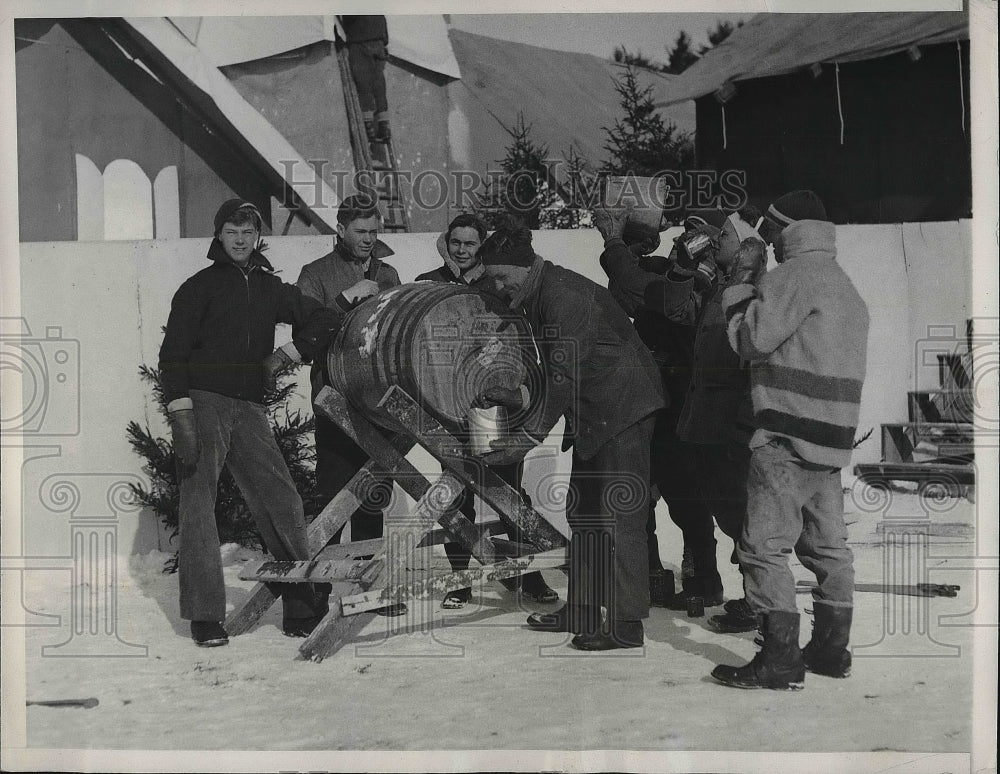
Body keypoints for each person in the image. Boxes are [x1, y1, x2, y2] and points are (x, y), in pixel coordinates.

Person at [159, 199, 341, 646]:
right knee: (199, 505)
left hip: (249, 407)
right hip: (203, 403)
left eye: (247, 231)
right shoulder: (197, 288)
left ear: (258, 236)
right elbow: (172, 356)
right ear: (218, 234)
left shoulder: (270, 288)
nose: (240, 239)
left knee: (281, 496)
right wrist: (180, 411)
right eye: (231, 230)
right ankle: (204, 617)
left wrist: (289, 354)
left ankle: (299, 601)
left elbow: (323, 318)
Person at [476, 219, 664, 650]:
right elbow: (554, 372)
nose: (499, 286)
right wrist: (516, 394)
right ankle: (582, 607)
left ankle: (625, 623)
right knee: (585, 514)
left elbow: (562, 375)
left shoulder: (562, 296)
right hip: (596, 412)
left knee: (619, 517)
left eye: (502, 276)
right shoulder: (538, 293)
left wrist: (527, 438)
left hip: (624, 408)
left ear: (523, 268)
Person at [711, 190, 869, 690]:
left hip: (785, 436)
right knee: (827, 548)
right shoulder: (843, 285)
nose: (770, 246)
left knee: (762, 547)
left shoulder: (792, 278)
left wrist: (739, 287)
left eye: (773, 235)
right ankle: (829, 649)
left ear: (787, 232)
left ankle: (779, 660)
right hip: (830, 437)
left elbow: (749, 340)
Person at [598, 205, 767, 633]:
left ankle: (715, 583)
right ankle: (683, 579)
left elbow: (639, 289)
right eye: (684, 235)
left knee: (701, 500)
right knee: (672, 494)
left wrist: (614, 243)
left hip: (698, 408)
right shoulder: (684, 274)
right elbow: (631, 283)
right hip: (678, 403)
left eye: (707, 237)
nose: (686, 243)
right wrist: (632, 244)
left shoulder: (710, 284)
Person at [415, 214, 557, 609]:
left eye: (470, 244)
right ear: (447, 242)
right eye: (456, 242)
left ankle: (527, 575)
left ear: (482, 248)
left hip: (496, 402)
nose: (462, 250)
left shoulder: (497, 284)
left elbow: (517, 336)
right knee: (457, 495)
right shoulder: (430, 281)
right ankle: (461, 579)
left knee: (507, 491)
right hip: (446, 401)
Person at [296, 195, 399, 547]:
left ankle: (366, 596)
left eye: (373, 231)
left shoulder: (388, 274)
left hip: (377, 403)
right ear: (340, 230)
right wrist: (344, 299)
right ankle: (320, 595)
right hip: (334, 402)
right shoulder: (314, 273)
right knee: (333, 500)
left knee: (372, 502)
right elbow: (304, 335)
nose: (369, 239)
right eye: (360, 231)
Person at [340, 15, 391, 142]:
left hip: (360, 38)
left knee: (363, 84)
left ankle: (369, 129)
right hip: (378, 39)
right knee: (378, 83)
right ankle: (384, 125)